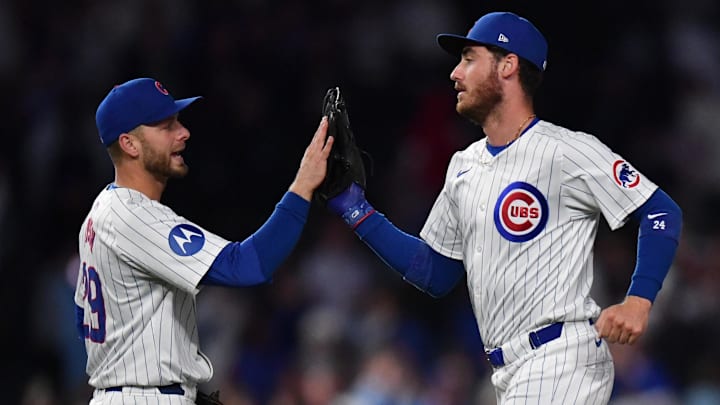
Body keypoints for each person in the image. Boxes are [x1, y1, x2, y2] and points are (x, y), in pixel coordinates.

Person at [325, 11, 682, 404]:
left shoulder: (564, 150)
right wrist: (355, 209)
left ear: (508, 65)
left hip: (561, 356)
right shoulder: (464, 165)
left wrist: (639, 299)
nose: (455, 73)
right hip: (507, 370)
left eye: (469, 58)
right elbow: (436, 271)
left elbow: (661, 211)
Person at [74, 77, 334, 404]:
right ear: (130, 144)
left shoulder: (100, 214)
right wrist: (303, 185)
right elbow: (247, 266)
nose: (183, 132)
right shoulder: (132, 215)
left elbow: (83, 317)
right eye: (166, 126)